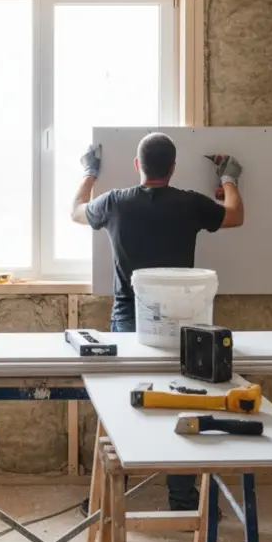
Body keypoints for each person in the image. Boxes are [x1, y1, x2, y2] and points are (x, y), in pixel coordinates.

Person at [69, 131, 244, 513]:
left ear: (138, 166)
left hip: (130, 322)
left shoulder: (115, 203)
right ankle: (182, 502)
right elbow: (235, 215)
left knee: (124, 408)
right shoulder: (189, 204)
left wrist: (89, 172)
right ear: (174, 168)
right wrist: (228, 179)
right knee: (181, 406)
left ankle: (108, 499)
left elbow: (77, 210)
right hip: (184, 328)